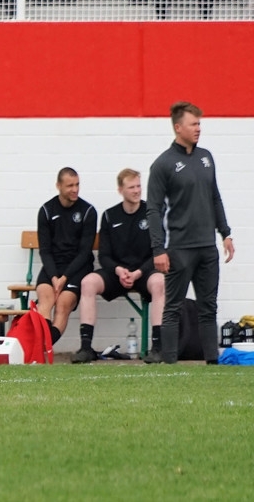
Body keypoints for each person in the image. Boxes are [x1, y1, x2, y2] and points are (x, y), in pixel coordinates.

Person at [147, 102, 234, 365]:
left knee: (208, 307)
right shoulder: (163, 164)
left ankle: (212, 363)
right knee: (173, 307)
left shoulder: (206, 157)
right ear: (178, 127)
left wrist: (225, 233)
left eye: (199, 123)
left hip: (207, 246)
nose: (198, 128)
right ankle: (170, 363)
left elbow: (215, 197)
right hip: (179, 249)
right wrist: (158, 249)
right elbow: (153, 210)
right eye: (193, 124)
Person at [72, 169, 166, 364]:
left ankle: (158, 348)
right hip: (117, 273)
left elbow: (157, 253)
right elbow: (104, 256)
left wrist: (139, 272)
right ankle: (86, 348)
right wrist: (118, 270)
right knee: (88, 282)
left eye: (138, 186)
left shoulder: (152, 213)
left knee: (159, 282)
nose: (137, 191)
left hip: (144, 272)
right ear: (120, 190)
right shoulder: (109, 216)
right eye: (131, 187)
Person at [35, 167, 97, 346]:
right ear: (58, 186)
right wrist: (54, 277)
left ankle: (43, 346)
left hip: (77, 267)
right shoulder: (46, 210)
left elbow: (84, 253)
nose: (75, 189)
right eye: (70, 185)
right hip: (53, 266)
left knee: (62, 304)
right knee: (45, 300)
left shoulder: (88, 211)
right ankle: (41, 347)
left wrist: (64, 278)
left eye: (77, 184)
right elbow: (45, 250)